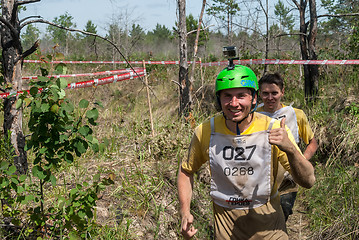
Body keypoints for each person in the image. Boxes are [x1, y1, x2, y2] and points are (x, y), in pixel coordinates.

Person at [177, 65, 315, 239]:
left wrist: (291, 150)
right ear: (219, 99)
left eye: (241, 95)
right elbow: (186, 170)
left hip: (270, 228)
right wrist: (185, 211)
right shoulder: (205, 131)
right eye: (227, 96)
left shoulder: (272, 128)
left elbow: (308, 180)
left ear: (254, 98)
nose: (234, 103)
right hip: (227, 230)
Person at [256, 72, 318, 222]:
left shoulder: (296, 114)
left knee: (281, 215)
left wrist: (299, 160)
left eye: (274, 93)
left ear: (282, 92)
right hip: (259, 178)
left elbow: (312, 142)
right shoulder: (254, 114)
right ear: (259, 94)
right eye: (265, 93)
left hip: (287, 180)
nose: (270, 98)